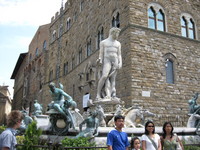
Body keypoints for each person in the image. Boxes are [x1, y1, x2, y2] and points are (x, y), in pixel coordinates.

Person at [96, 27, 122, 100]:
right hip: (107, 60)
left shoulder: (118, 43)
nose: (117, 35)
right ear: (113, 33)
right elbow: (101, 53)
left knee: (113, 79)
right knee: (104, 76)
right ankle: (98, 94)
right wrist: (100, 59)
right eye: (117, 34)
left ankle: (112, 94)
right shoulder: (103, 42)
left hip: (115, 60)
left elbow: (119, 54)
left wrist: (120, 63)